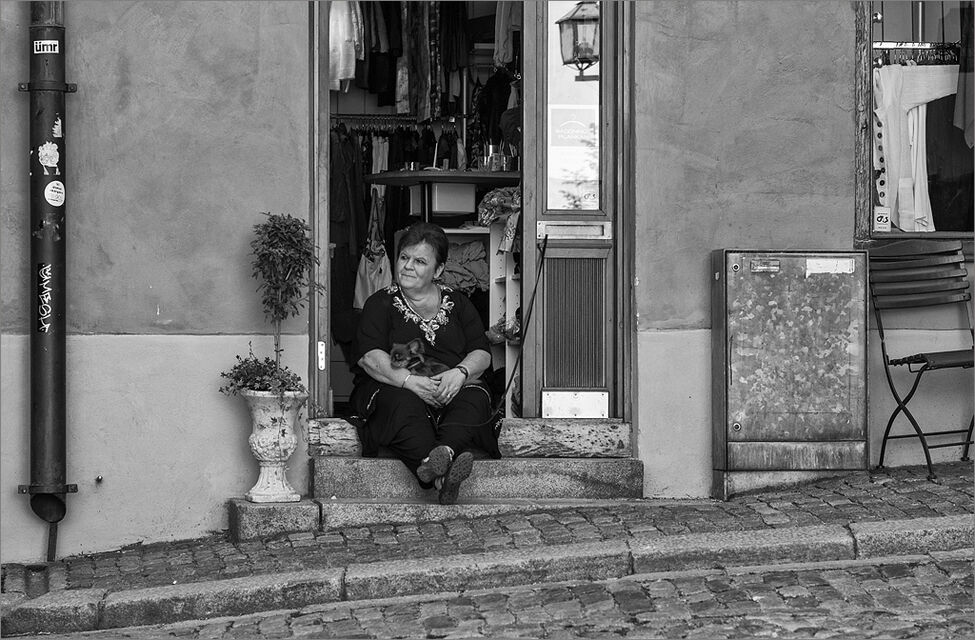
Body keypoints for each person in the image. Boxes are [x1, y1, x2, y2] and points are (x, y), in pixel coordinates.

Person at [350, 222, 500, 504]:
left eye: (419, 261)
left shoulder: (459, 303)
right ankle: (442, 474)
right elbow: (369, 357)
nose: (408, 266)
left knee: (475, 397)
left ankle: (440, 461)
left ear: (438, 270)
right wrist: (409, 381)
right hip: (397, 385)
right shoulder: (380, 303)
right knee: (402, 404)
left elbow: (481, 352)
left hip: (450, 385)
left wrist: (460, 373)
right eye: (404, 257)